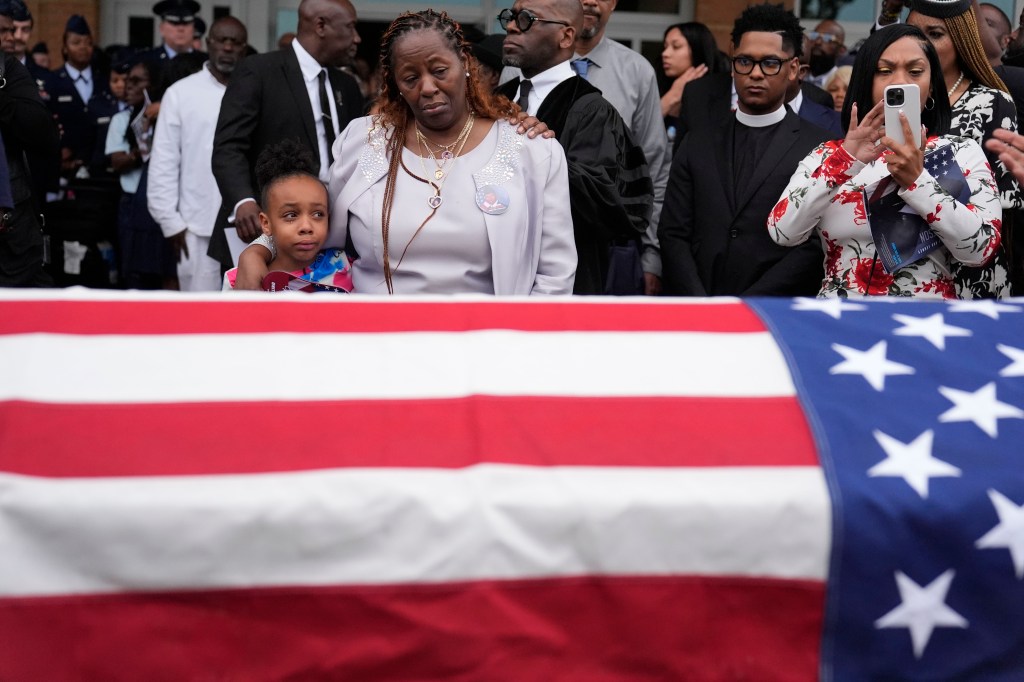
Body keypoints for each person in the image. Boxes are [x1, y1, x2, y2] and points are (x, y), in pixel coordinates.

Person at [235, 9, 577, 295]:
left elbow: (555, 276)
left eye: (440, 71)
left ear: (465, 64)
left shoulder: (531, 150)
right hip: (378, 343)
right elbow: (314, 221)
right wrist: (259, 249)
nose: (427, 87)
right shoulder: (365, 141)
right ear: (396, 85)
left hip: (484, 346)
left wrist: (513, 348)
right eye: (410, 77)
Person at [768, 24, 1001, 299]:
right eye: (885, 70)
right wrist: (846, 160)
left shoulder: (961, 153)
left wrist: (918, 181)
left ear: (932, 86)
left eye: (915, 71)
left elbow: (980, 250)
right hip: (840, 323)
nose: (900, 81)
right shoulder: (826, 156)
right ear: (866, 80)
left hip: (925, 324)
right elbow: (782, 232)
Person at [658, 3, 830, 297]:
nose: (756, 73)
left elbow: (814, 245)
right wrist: (701, 301)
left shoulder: (819, 148)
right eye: (745, 62)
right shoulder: (697, 142)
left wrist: (749, 303)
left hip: (776, 311)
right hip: (698, 306)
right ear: (733, 59)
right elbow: (673, 232)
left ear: (793, 69)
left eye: (770, 63)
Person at [498, 0, 652, 294]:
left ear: (566, 36)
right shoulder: (497, 99)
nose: (511, 26)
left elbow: (602, 204)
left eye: (527, 19)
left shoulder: (591, 110)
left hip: (566, 283)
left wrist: (535, 155)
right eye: (511, 15)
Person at [212, 0, 365, 273]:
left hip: (327, 238)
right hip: (260, 232)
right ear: (321, 25)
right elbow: (229, 146)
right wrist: (243, 201)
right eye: (351, 27)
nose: (357, 38)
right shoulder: (258, 71)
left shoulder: (347, 85)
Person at [906, 0, 1022, 297]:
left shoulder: (992, 103)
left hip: (968, 267)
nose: (922, 44)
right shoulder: (889, 98)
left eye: (935, 34)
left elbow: (1003, 204)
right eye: (913, 32)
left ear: (961, 40)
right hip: (898, 267)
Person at [572, 0, 668, 295]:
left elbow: (655, 166)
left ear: (613, 3)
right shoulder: (528, 67)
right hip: (533, 244)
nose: (588, 1)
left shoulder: (637, 71)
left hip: (612, 248)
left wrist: (651, 254)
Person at [149, 16, 248, 292]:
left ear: (245, 48)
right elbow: (164, 161)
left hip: (248, 224)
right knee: (199, 313)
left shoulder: (256, 90)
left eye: (235, 42)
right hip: (195, 225)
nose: (228, 48)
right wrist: (171, 222)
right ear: (208, 44)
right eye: (221, 41)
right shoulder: (181, 93)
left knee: (245, 312)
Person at [224, 141, 351, 291]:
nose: (306, 227)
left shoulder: (346, 265)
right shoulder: (241, 280)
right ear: (266, 223)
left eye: (318, 214)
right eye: (291, 215)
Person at [0, 24, 59, 286]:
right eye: (2, 30)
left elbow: (44, 133)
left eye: (10, 29)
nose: (10, 37)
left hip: (11, 222)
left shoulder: (7, 70)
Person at [106, 59, 172, 289]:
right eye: (126, 81)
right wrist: (141, 150)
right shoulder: (121, 119)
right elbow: (117, 161)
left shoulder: (169, 115)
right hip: (131, 200)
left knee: (160, 271)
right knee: (133, 272)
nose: (128, 86)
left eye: (136, 81)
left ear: (152, 85)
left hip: (160, 204)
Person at [47, 15, 115, 180]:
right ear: (64, 48)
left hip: (100, 170)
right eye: (76, 42)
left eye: (88, 42)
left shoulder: (105, 81)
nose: (83, 47)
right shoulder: (52, 81)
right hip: (64, 172)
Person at [659, 22, 727, 140]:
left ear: (697, 50)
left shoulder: (720, 94)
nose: (665, 54)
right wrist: (671, 97)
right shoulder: (658, 85)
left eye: (676, 46)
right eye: (665, 47)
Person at [806, 19, 846, 88]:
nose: (818, 42)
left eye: (827, 38)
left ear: (841, 50)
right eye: (814, 35)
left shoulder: (844, 85)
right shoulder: (794, 77)